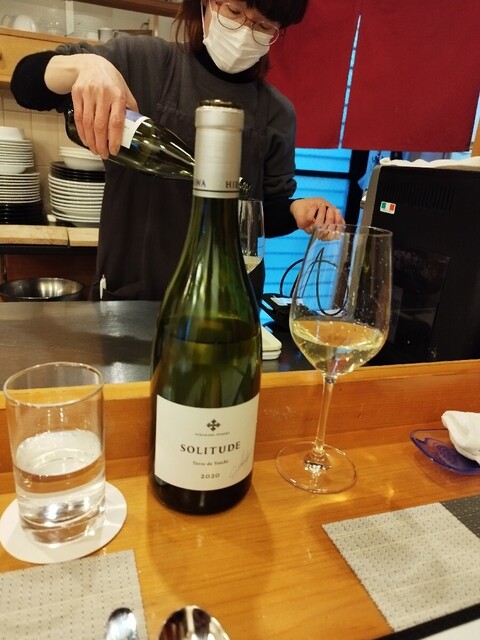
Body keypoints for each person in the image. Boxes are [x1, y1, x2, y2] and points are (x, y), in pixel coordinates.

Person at [11, 0, 343, 301]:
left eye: (263, 26)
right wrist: (85, 66)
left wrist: (296, 210)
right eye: (234, 11)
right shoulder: (143, 63)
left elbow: (258, 213)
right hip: (134, 299)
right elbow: (25, 83)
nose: (245, 31)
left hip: (227, 304)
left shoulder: (277, 113)